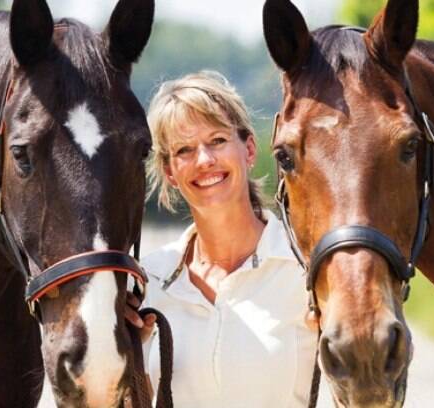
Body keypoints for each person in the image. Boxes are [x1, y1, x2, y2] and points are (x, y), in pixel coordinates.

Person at [126, 71, 320, 408]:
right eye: (184, 150)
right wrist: (128, 355)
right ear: (170, 172)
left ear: (248, 149)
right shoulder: (147, 283)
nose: (204, 160)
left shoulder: (308, 271)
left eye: (217, 140)